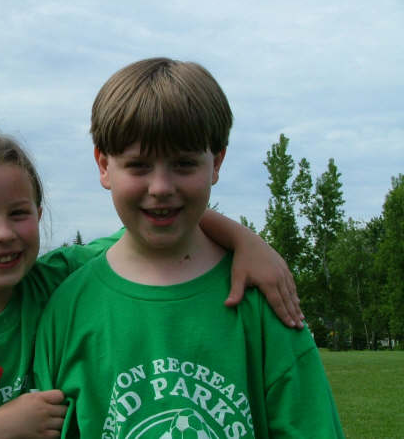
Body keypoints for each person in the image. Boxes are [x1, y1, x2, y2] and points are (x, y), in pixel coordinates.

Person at [0, 131, 301, 439]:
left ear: (39, 216)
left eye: (19, 213)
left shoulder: (60, 281)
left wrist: (245, 240)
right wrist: (0, 427)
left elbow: (151, 228)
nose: (4, 233)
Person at [33, 58, 344, 438]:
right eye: (139, 166)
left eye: (183, 164)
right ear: (103, 165)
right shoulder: (67, 304)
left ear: (217, 162)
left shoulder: (264, 299)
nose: (161, 187)